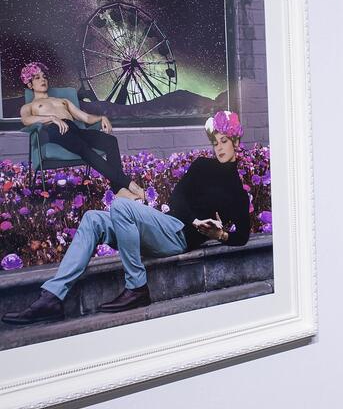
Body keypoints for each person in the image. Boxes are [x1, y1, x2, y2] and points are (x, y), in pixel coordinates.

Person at [2, 110, 251, 324]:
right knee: (92, 218)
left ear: (236, 142)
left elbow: (242, 236)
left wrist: (220, 234)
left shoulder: (237, 192)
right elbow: (177, 200)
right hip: (166, 225)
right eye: (215, 142)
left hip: (180, 239)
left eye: (224, 141)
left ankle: (137, 287)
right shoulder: (201, 166)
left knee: (121, 206)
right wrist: (195, 220)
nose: (219, 147)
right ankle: (52, 298)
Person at [19, 62, 144, 201]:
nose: (43, 80)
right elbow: (26, 120)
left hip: (74, 129)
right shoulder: (29, 106)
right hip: (55, 130)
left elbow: (85, 117)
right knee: (83, 148)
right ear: (29, 85)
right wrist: (51, 118)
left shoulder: (63, 101)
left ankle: (119, 190)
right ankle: (130, 185)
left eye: (44, 76)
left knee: (110, 141)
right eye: (37, 78)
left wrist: (102, 117)